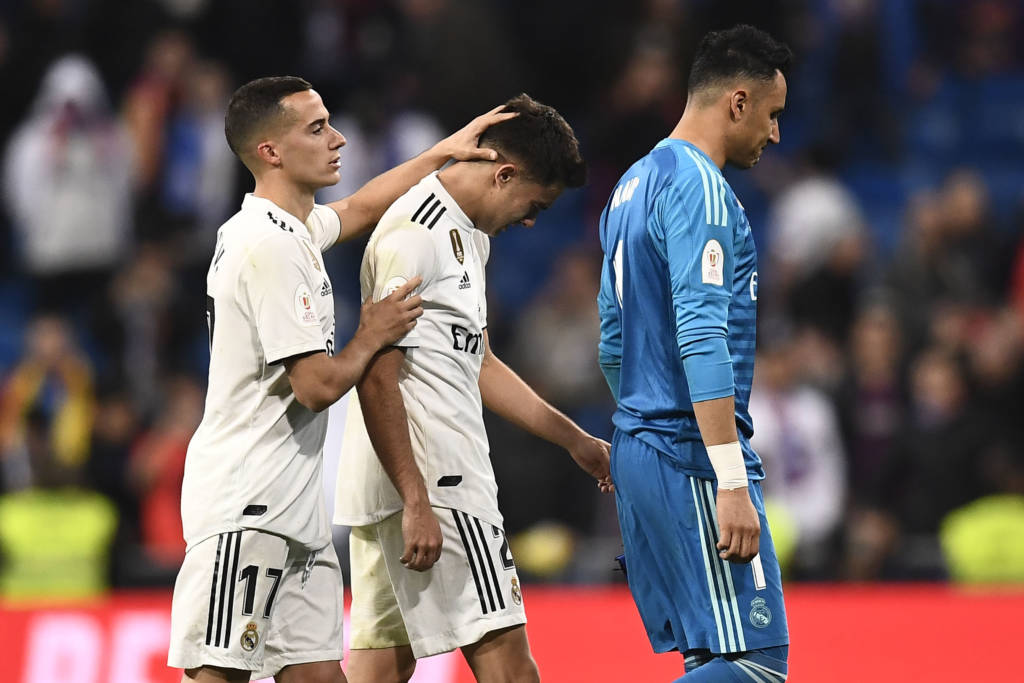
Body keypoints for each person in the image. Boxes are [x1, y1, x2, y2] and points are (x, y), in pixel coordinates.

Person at [166, 75, 513, 683]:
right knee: (218, 674)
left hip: (294, 511)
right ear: (271, 151)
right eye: (317, 128)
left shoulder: (290, 231)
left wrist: (440, 153)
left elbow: (360, 208)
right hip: (245, 505)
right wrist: (371, 334)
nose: (339, 138)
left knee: (322, 677)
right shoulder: (266, 247)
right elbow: (316, 386)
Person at [334, 93, 612, 683]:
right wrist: (417, 499)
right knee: (511, 668)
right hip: (438, 487)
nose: (530, 221)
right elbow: (377, 373)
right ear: (503, 174)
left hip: (402, 488)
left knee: (380, 668)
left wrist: (573, 440)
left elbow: (477, 361)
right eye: (534, 204)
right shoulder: (416, 235)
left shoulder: (470, 236)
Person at [597, 26, 793, 681]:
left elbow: (612, 339)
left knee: (709, 656)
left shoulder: (630, 186)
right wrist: (729, 480)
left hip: (644, 448)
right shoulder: (700, 188)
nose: (775, 134)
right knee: (757, 665)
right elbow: (702, 336)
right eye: (771, 115)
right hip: (691, 455)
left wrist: (638, 437)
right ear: (738, 102)